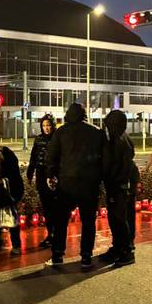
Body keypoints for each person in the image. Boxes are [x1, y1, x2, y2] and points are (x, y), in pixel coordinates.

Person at [45, 102, 104, 270]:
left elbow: (52, 156)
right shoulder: (96, 132)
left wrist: (51, 175)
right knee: (88, 221)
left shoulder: (62, 131)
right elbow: (102, 157)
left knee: (61, 220)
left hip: (67, 182)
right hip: (89, 182)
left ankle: (57, 255)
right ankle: (86, 256)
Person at [100, 109, 136, 267]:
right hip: (118, 184)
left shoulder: (119, 140)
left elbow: (119, 165)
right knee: (116, 218)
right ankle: (118, 247)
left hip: (118, 185)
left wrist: (111, 179)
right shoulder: (122, 137)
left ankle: (126, 251)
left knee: (119, 219)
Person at [26, 114, 57, 248]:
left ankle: (56, 234)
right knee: (46, 207)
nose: (46, 128)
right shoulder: (38, 139)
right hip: (41, 175)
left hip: (54, 176)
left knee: (54, 207)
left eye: (49, 125)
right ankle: (50, 234)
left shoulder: (57, 138)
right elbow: (34, 156)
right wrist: (30, 171)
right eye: (44, 126)